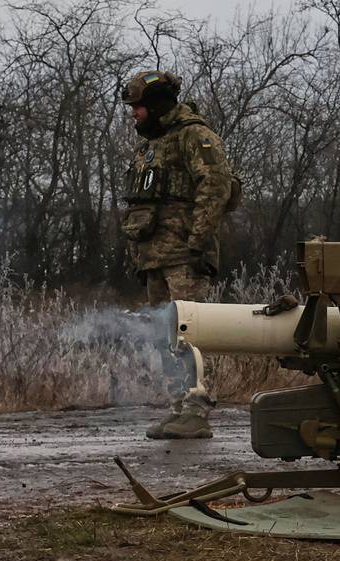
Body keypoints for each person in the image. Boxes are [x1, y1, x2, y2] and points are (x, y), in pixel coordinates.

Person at [119, 69, 236, 440]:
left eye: (137, 106)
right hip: (154, 257)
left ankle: (196, 410)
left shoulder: (194, 136)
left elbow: (215, 187)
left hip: (184, 256)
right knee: (164, 337)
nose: (134, 113)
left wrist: (197, 242)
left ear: (154, 105)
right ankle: (177, 407)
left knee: (190, 335)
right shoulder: (152, 144)